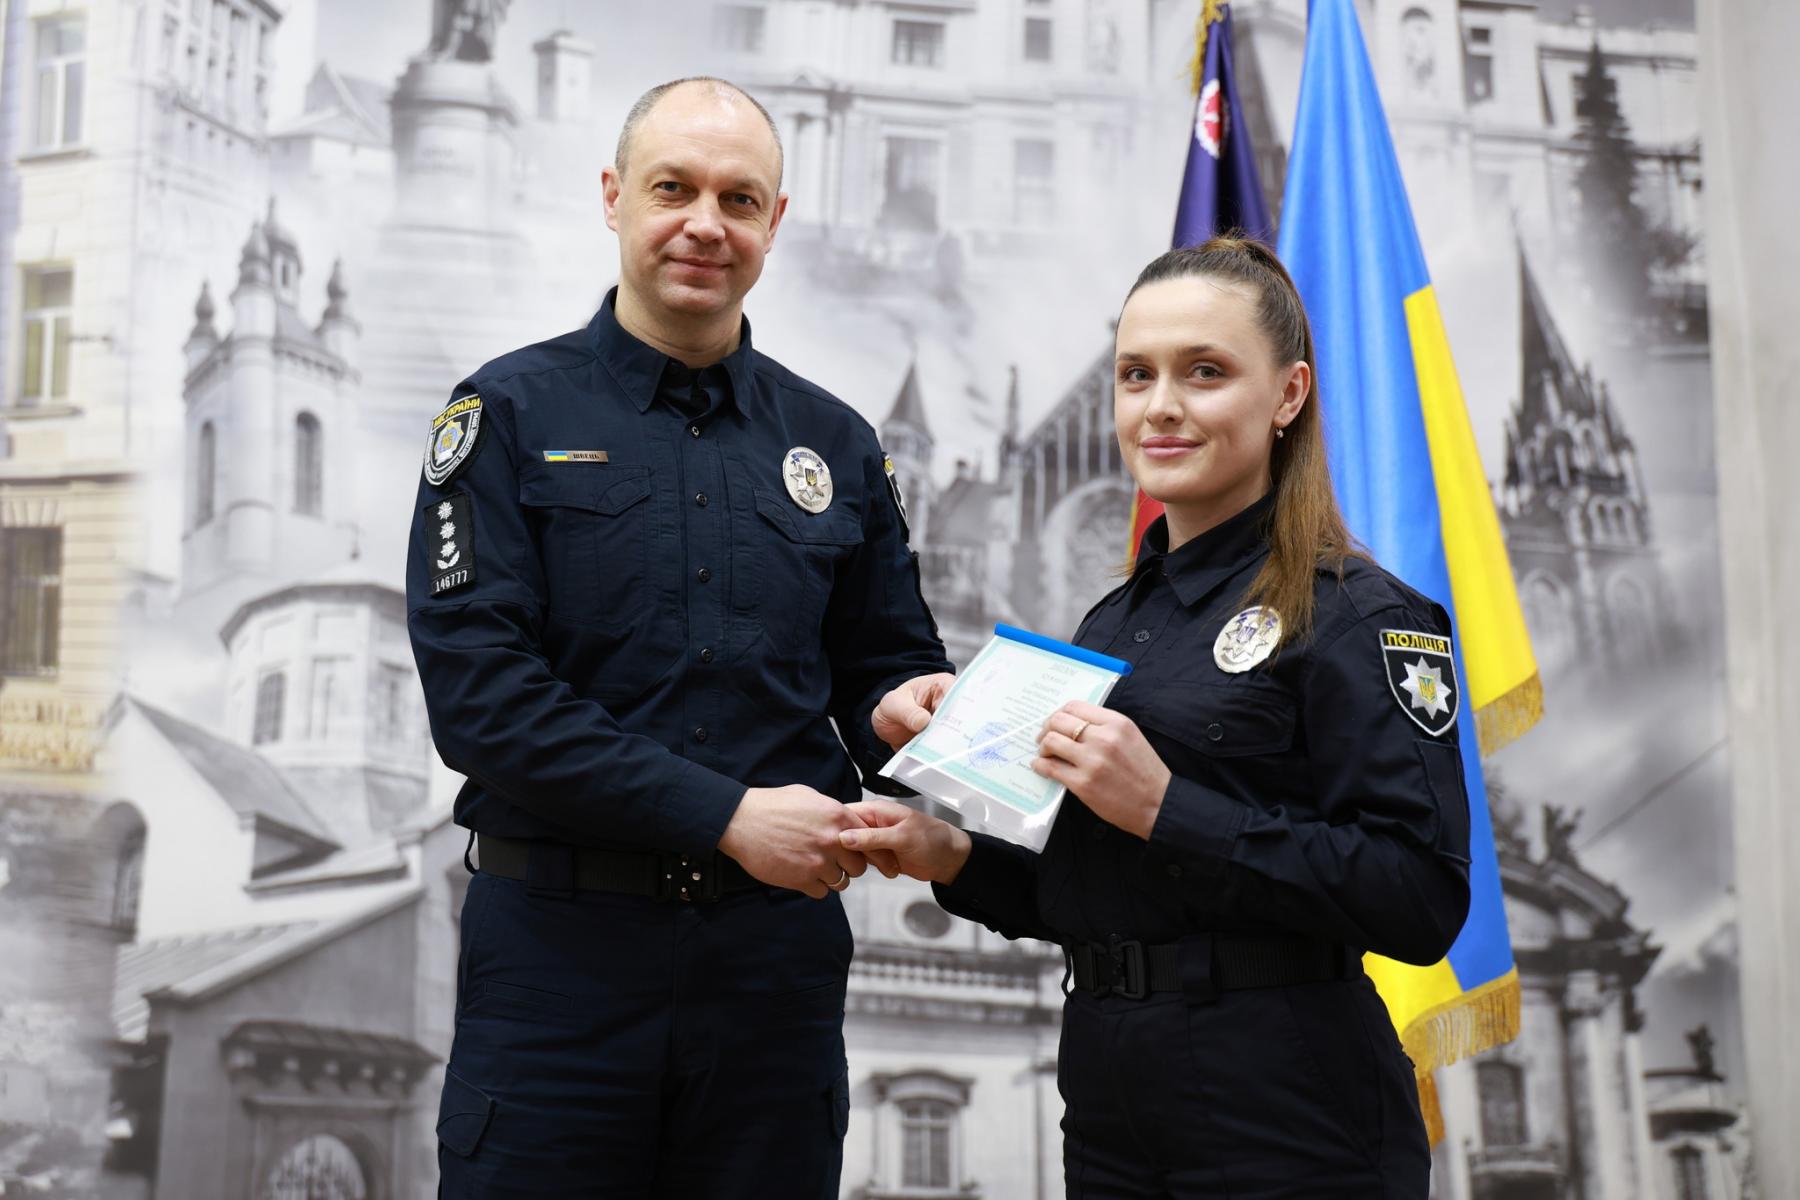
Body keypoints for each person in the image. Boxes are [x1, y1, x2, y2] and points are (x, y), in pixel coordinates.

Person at [407, 76, 955, 1197]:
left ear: (773, 222)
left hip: (772, 977)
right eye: (674, 189)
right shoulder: (505, 415)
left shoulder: (838, 444)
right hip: (559, 966)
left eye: (738, 199)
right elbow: (484, 703)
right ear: (614, 197)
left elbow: (881, 666)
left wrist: (908, 708)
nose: (706, 223)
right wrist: (726, 817)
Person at [848, 237, 1472, 1198]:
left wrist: (1168, 807)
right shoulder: (1114, 621)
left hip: (1285, 1110)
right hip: (1109, 1101)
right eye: (1136, 375)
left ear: (1289, 395)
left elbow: (1419, 898)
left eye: (1205, 372)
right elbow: (1104, 893)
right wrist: (951, 855)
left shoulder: (1359, 613)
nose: (1161, 405)